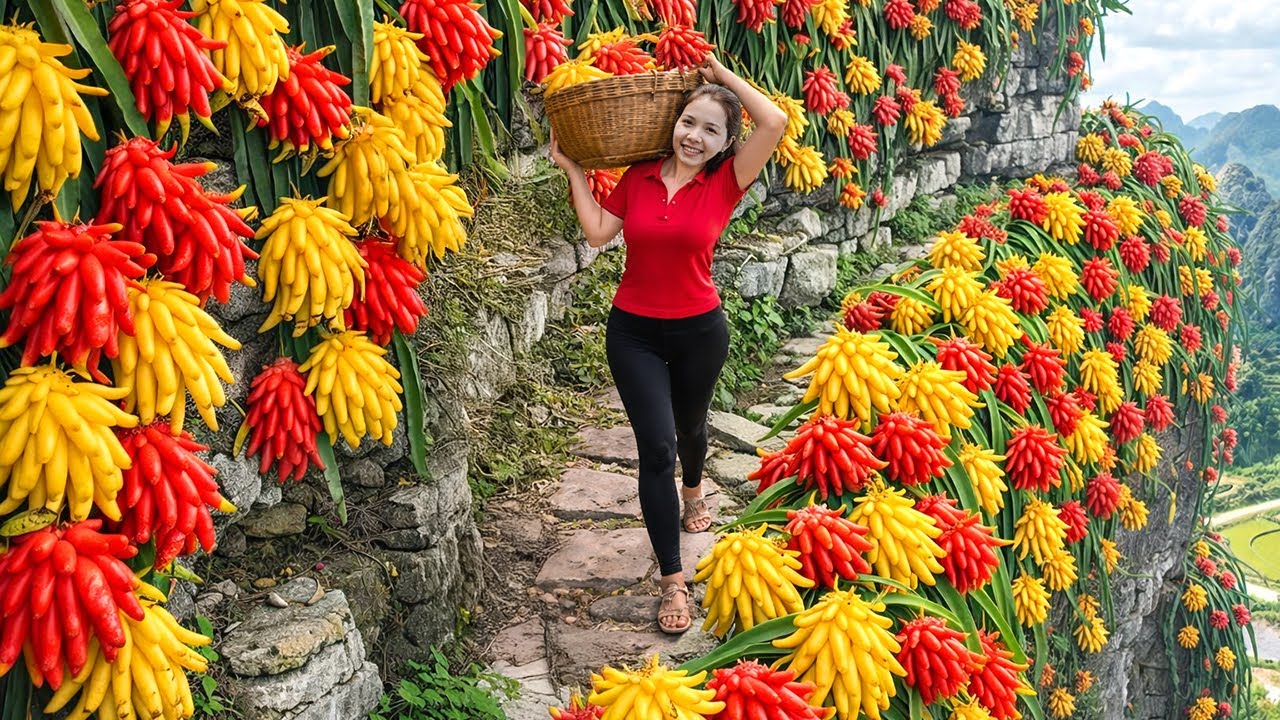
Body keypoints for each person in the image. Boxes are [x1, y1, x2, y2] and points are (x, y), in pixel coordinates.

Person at [549, 55, 787, 634]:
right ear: (672, 123)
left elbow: (775, 122)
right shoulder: (640, 176)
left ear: (727, 142)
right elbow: (599, 234)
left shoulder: (728, 181)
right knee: (656, 448)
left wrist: (720, 76)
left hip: (699, 329)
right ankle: (673, 580)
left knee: (692, 428)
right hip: (632, 331)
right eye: (688, 122)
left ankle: (695, 490)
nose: (695, 136)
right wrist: (574, 171)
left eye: (711, 129)